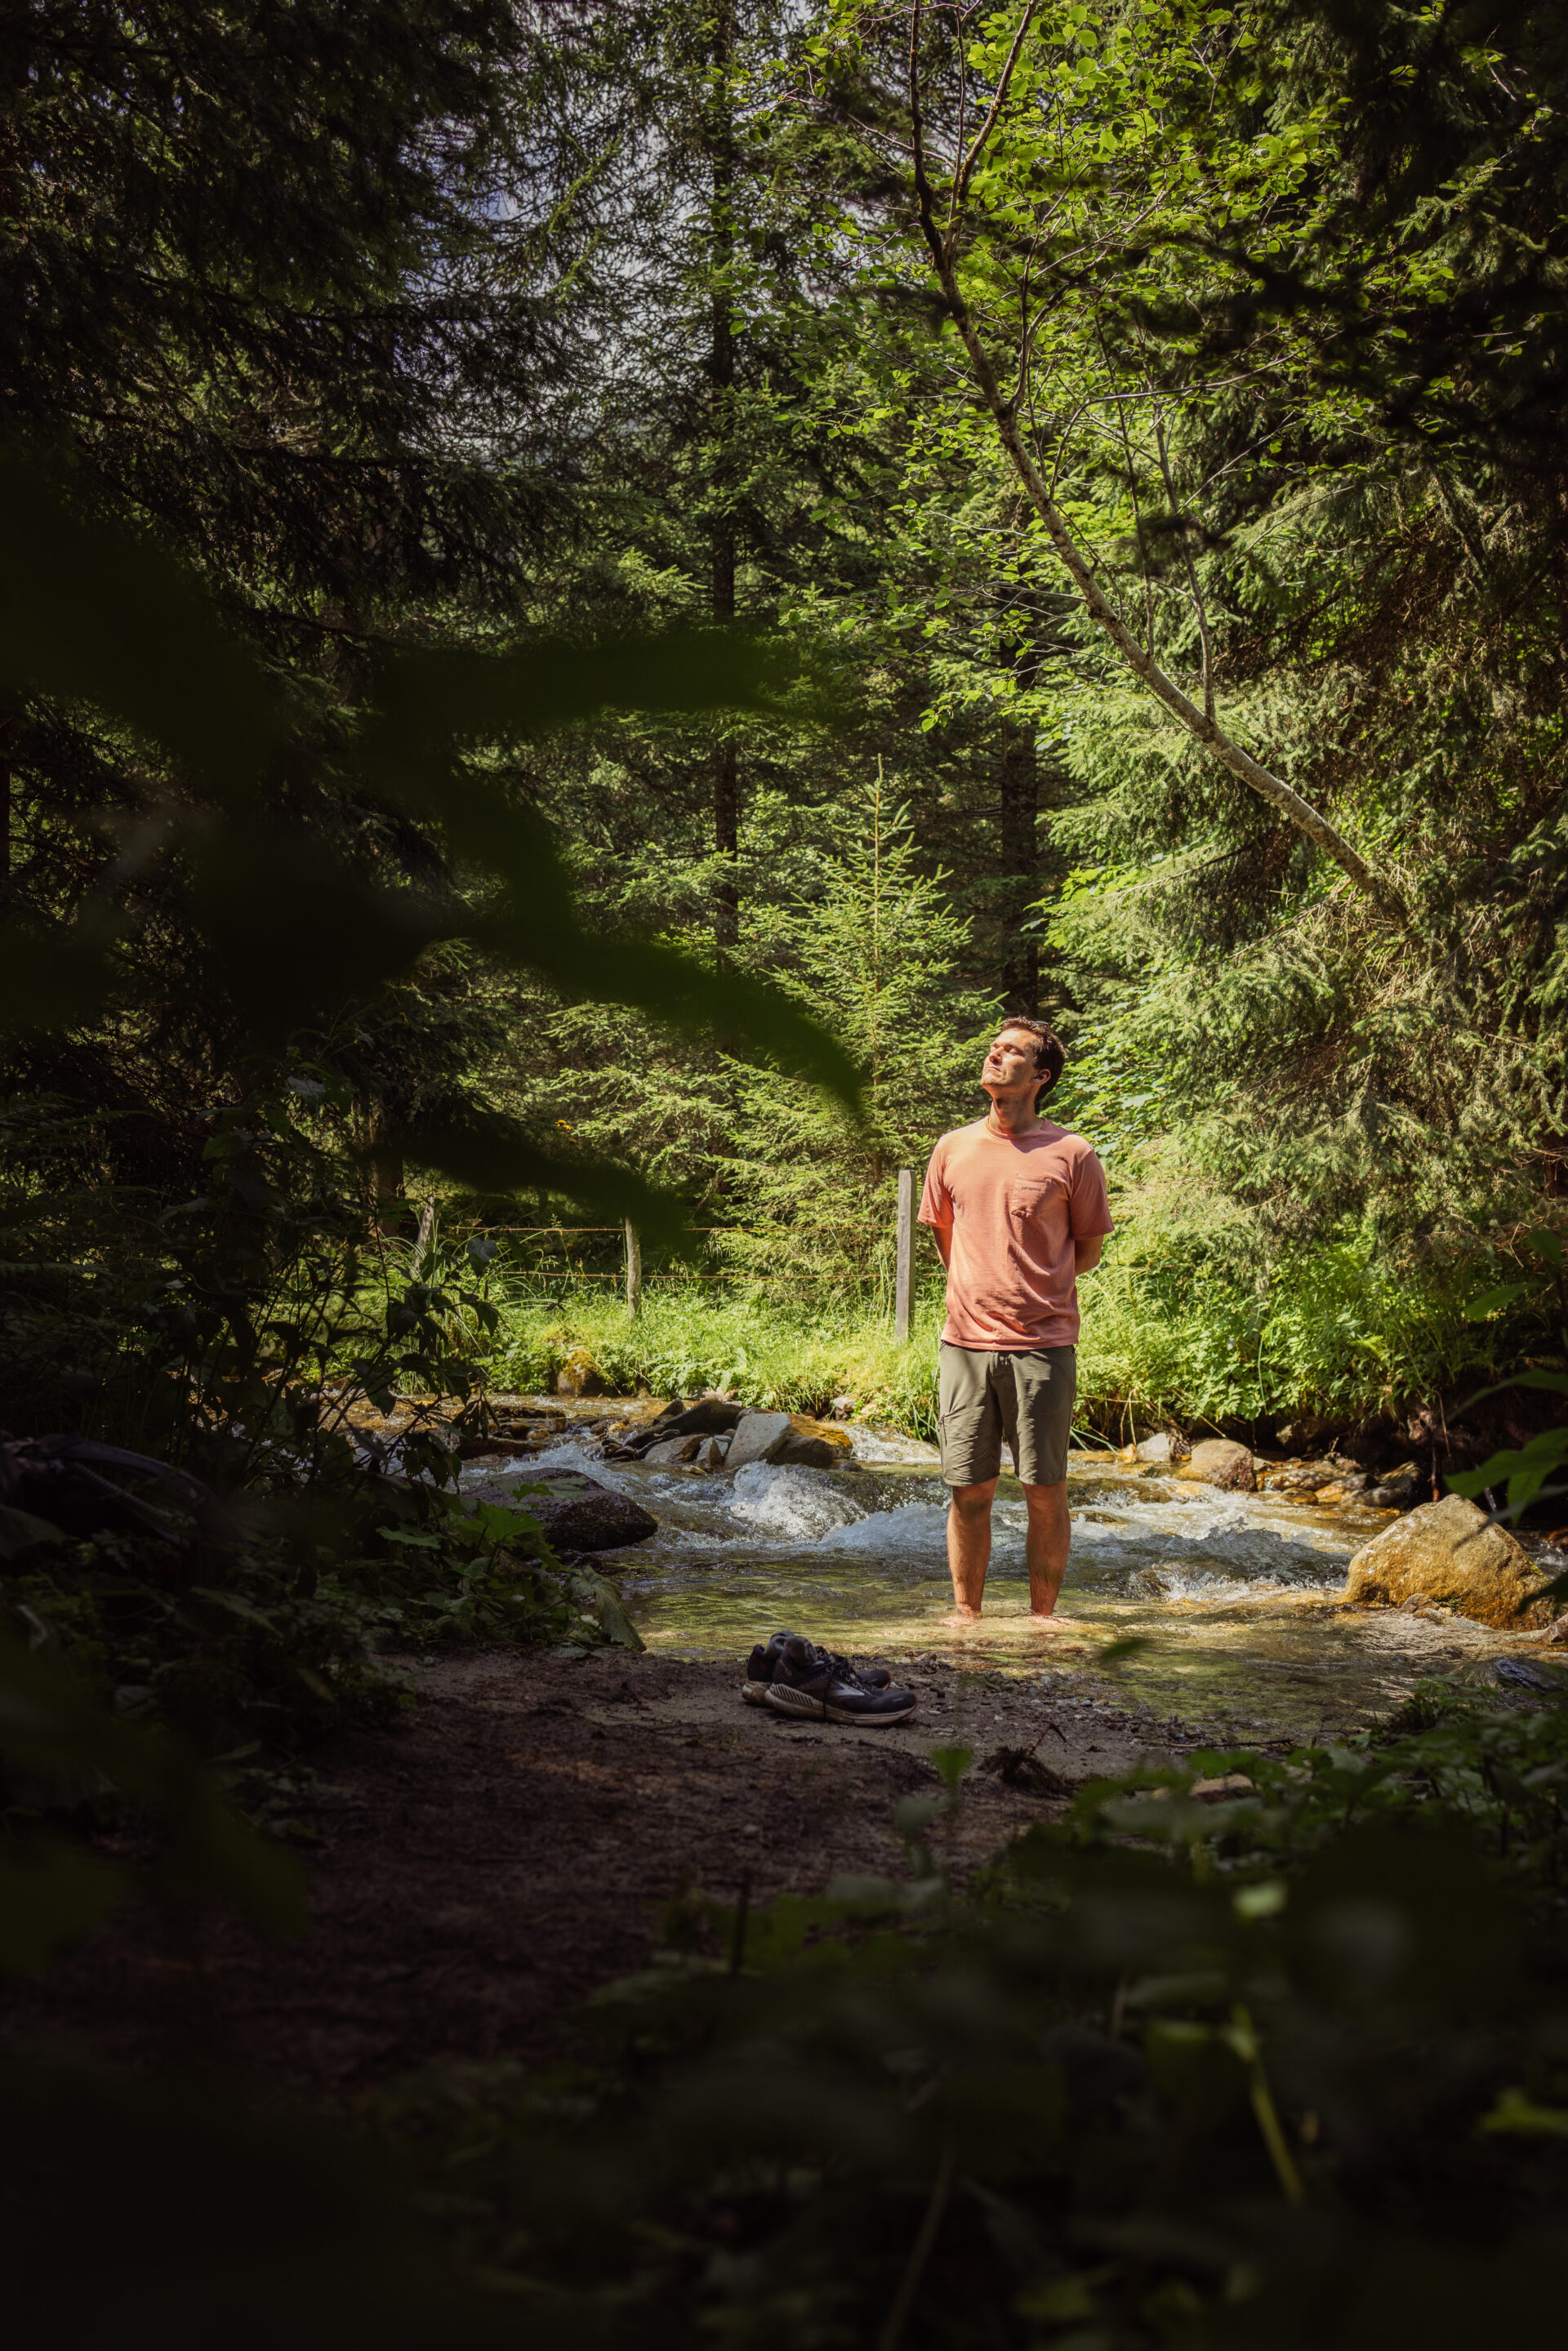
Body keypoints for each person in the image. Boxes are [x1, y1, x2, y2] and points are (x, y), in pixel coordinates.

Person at [917, 1019, 1113, 1621]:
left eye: (1013, 1052)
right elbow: (946, 1238)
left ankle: (1041, 1620)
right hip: (965, 1345)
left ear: (1040, 1076)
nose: (996, 1055)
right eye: (994, 1047)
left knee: (1044, 1492)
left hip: (1043, 1347)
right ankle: (965, 1615)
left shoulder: (1073, 1154)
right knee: (968, 1493)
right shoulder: (952, 1147)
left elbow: (1087, 1251)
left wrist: (1034, 1293)